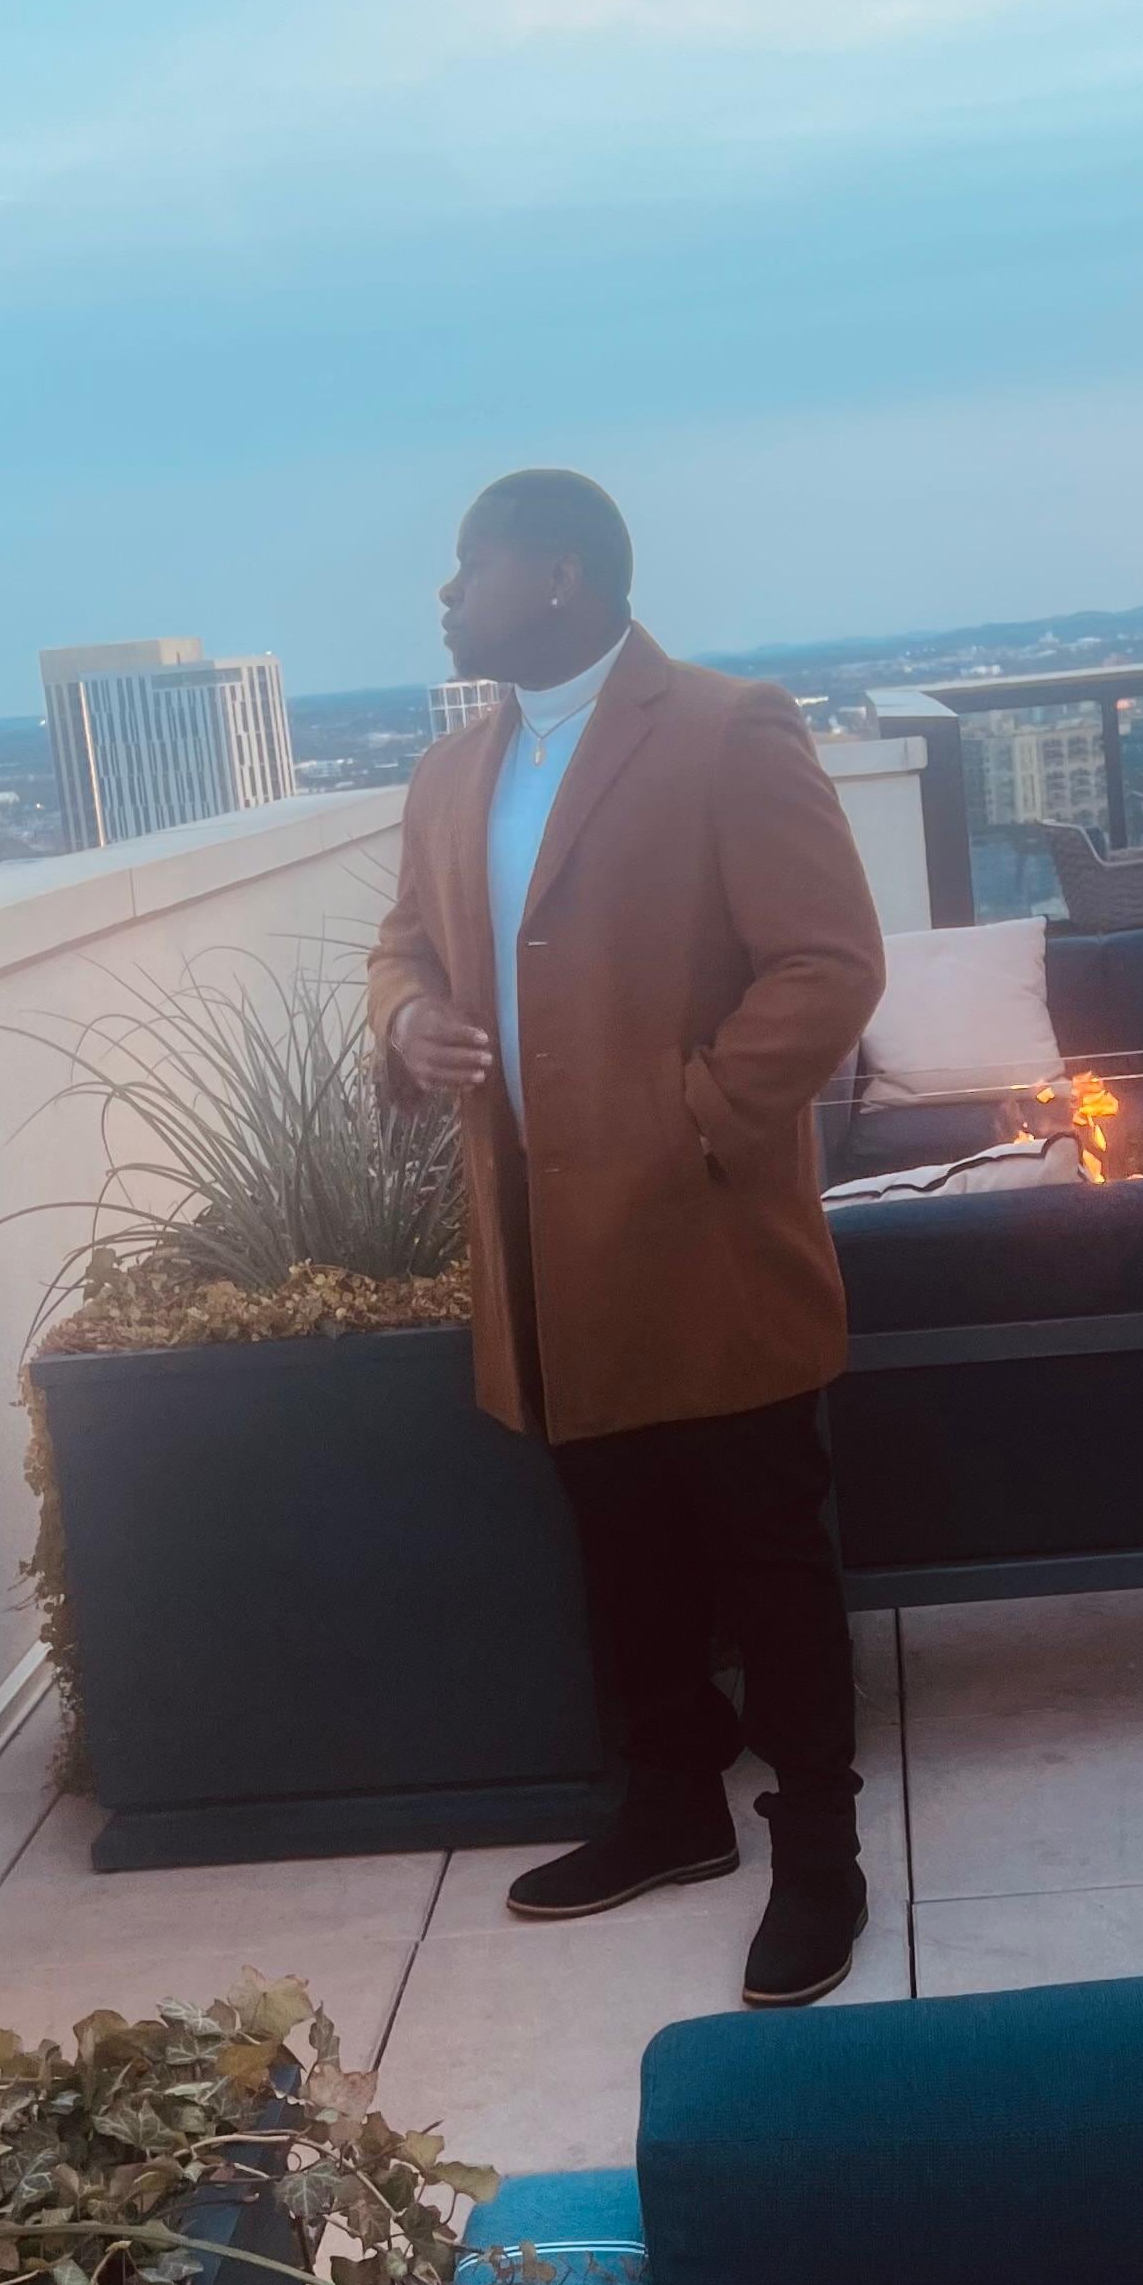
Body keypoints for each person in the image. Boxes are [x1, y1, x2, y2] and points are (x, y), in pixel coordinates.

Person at [368, 469, 886, 2006]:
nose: (447, 594)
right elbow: (404, 941)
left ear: (562, 575)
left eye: (470, 564)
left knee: (770, 1557)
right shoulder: (451, 772)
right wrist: (406, 1020)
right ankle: (671, 1808)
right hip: (543, 1252)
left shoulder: (727, 730)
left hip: (708, 1239)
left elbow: (828, 961)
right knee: (620, 1545)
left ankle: (820, 1852)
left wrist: (695, 1115)